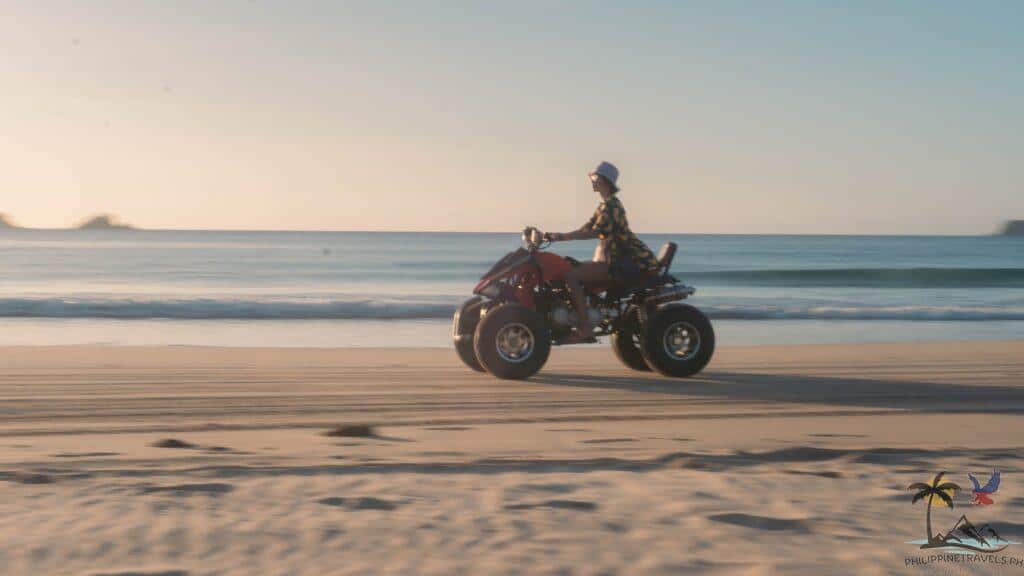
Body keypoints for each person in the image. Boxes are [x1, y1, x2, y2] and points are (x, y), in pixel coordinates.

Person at [545, 162, 660, 343]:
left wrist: (563, 237)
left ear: (605, 181)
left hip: (621, 263)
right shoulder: (604, 206)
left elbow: (594, 231)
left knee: (571, 276)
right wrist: (555, 237)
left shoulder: (612, 206)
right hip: (611, 261)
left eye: (595, 177)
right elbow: (587, 227)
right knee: (567, 268)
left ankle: (585, 327)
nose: (592, 181)